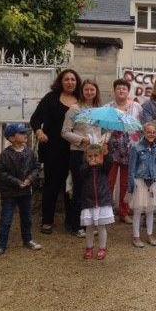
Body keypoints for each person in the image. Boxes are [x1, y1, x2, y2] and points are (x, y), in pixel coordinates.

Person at [30, 68, 81, 235]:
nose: (70, 82)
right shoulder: (51, 98)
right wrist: (39, 131)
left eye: (73, 79)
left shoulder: (80, 100)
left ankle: (71, 221)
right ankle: (47, 221)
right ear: (61, 81)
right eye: (67, 79)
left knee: (71, 186)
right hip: (52, 148)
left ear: (77, 82)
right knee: (51, 185)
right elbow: (35, 118)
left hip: (74, 149)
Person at [0, 124, 42, 259]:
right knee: (6, 219)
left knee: (27, 218)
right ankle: (1, 245)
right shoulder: (5, 155)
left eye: (25, 132)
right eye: (21, 133)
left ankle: (28, 240)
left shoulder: (30, 152)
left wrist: (29, 179)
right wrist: (17, 182)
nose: (25, 135)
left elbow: (36, 167)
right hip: (9, 193)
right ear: (12, 138)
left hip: (26, 192)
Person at [61, 79, 102, 237]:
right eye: (87, 90)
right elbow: (64, 132)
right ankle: (76, 224)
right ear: (82, 91)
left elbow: (103, 130)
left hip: (95, 152)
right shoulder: (74, 109)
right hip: (78, 153)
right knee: (78, 188)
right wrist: (81, 139)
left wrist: (103, 139)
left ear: (96, 91)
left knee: (92, 188)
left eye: (92, 89)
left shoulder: (99, 110)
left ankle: (90, 223)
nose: (90, 92)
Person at [107, 78, 143, 224]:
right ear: (114, 91)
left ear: (128, 91)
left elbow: (141, 127)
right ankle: (107, 211)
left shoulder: (136, 107)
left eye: (124, 88)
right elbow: (103, 127)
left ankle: (124, 211)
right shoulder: (108, 107)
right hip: (112, 150)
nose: (121, 90)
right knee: (109, 181)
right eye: (118, 88)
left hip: (130, 149)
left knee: (126, 183)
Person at [128, 121, 156, 248]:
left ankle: (149, 234)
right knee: (138, 210)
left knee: (150, 210)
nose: (151, 134)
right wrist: (131, 185)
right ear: (144, 132)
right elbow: (131, 168)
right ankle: (136, 236)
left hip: (152, 183)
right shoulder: (136, 148)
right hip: (140, 182)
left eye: (153, 132)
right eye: (148, 132)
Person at [80, 144, 115, 260]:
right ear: (86, 157)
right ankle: (89, 248)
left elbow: (110, 163)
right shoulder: (85, 167)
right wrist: (89, 166)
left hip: (102, 200)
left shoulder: (103, 167)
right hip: (88, 201)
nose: (93, 158)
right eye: (90, 156)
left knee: (101, 226)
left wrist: (106, 153)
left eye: (96, 155)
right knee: (89, 227)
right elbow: (81, 174)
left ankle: (102, 248)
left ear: (100, 156)